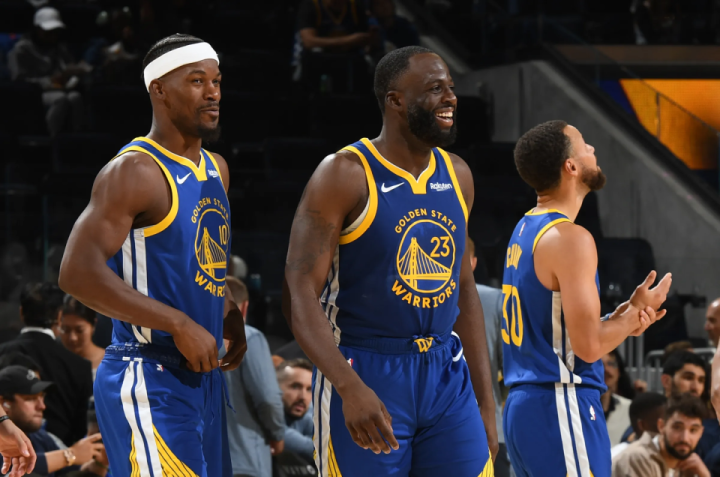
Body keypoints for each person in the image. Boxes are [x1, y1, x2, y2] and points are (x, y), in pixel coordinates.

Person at [283, 46, 497, 476]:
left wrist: (486, 401)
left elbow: (463, 290)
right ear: (395, 100)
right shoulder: (344, 173)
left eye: (451, 87)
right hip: (366, 368)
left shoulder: (458, 175)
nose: (450, 98)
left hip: (445, 371)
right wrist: (347, 386)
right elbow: (298, 290)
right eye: (435, 89)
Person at [57, 33, 246, 477]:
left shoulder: (216, 168)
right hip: (148, 372)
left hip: (204, 379)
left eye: (216, 81)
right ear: (159, 89)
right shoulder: (135, 170)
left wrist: (224, 307)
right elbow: (76, 273)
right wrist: (178, 323)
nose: (213, 92)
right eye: (197, 81)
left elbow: (192, 262)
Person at [502, 120, 671, 477]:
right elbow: (589, 347)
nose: (592, 149)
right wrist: (632, 317)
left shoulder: (526, 228)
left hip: (526, 405)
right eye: (584, 145)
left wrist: (624, 316)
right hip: (560, 401)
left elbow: (559, 330)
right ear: (571, 167)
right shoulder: (571, 238)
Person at [0, 283, 93, 447]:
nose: (41, 406)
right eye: (30, 398)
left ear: (21, 312)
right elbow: (79, 429)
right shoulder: (80, 366)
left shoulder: (3, 352)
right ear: (59, 316)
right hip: (52, 454)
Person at [224, 277, 286, 477]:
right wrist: (278, 435)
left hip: (204, 458)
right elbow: (268, 399)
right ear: (245, 307)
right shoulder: (250, 337)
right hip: (246, 460)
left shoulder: (193, 340)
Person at [0, 365, 107, 476]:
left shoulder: (44, 438)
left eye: (41, 397)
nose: (42, 406)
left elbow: (75, 471)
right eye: (30, 399)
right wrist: (70, 454)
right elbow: (11, 470)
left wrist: (101, 463)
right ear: (3, 403)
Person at [467, 237, 512, 477]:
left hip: (432, 427)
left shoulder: (414, 297)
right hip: (489, 425)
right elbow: (512, 370)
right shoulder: (496, 299)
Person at [7, 7, 90, 136]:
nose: (53, 35)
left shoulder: (59, 47)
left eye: (56, 31)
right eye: (48, 32)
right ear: (37, 29)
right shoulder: (21, 50)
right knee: (60, 99)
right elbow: (18, 80)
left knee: (75, 97)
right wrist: (48, 81)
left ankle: (77, 136)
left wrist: (75, 71)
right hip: (36, 92)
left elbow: (68, 67)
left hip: (60, 89)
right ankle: (50, 137)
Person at [611, 394, 710, 477]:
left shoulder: (689, 465)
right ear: (661, 426)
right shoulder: (638, 458)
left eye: (693, 430)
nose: (685, 438)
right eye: (677, 427)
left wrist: (705, 474)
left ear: (701, 432)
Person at [276, 359, 314, 463]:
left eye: (309, 389)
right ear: (275, 387)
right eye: (295, 387)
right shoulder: (264, 419)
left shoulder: (308, 417)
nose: (303, 397)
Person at [59, 295, 105, 380]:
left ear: (93, 326)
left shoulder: (111, 363)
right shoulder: (54, 362)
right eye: (66, 330)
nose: (72, 338)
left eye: (79, 330)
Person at [611, 393, 667, 458]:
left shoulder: (669, 453)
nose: (668, 429)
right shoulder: (618, 456)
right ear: (642, 425)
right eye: (662, 424)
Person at [602, 350, 635, 446]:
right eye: (599, 364)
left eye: (611, 364)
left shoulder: (629, 407)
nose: (606, 370)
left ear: (619, 371)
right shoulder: (576, 406)